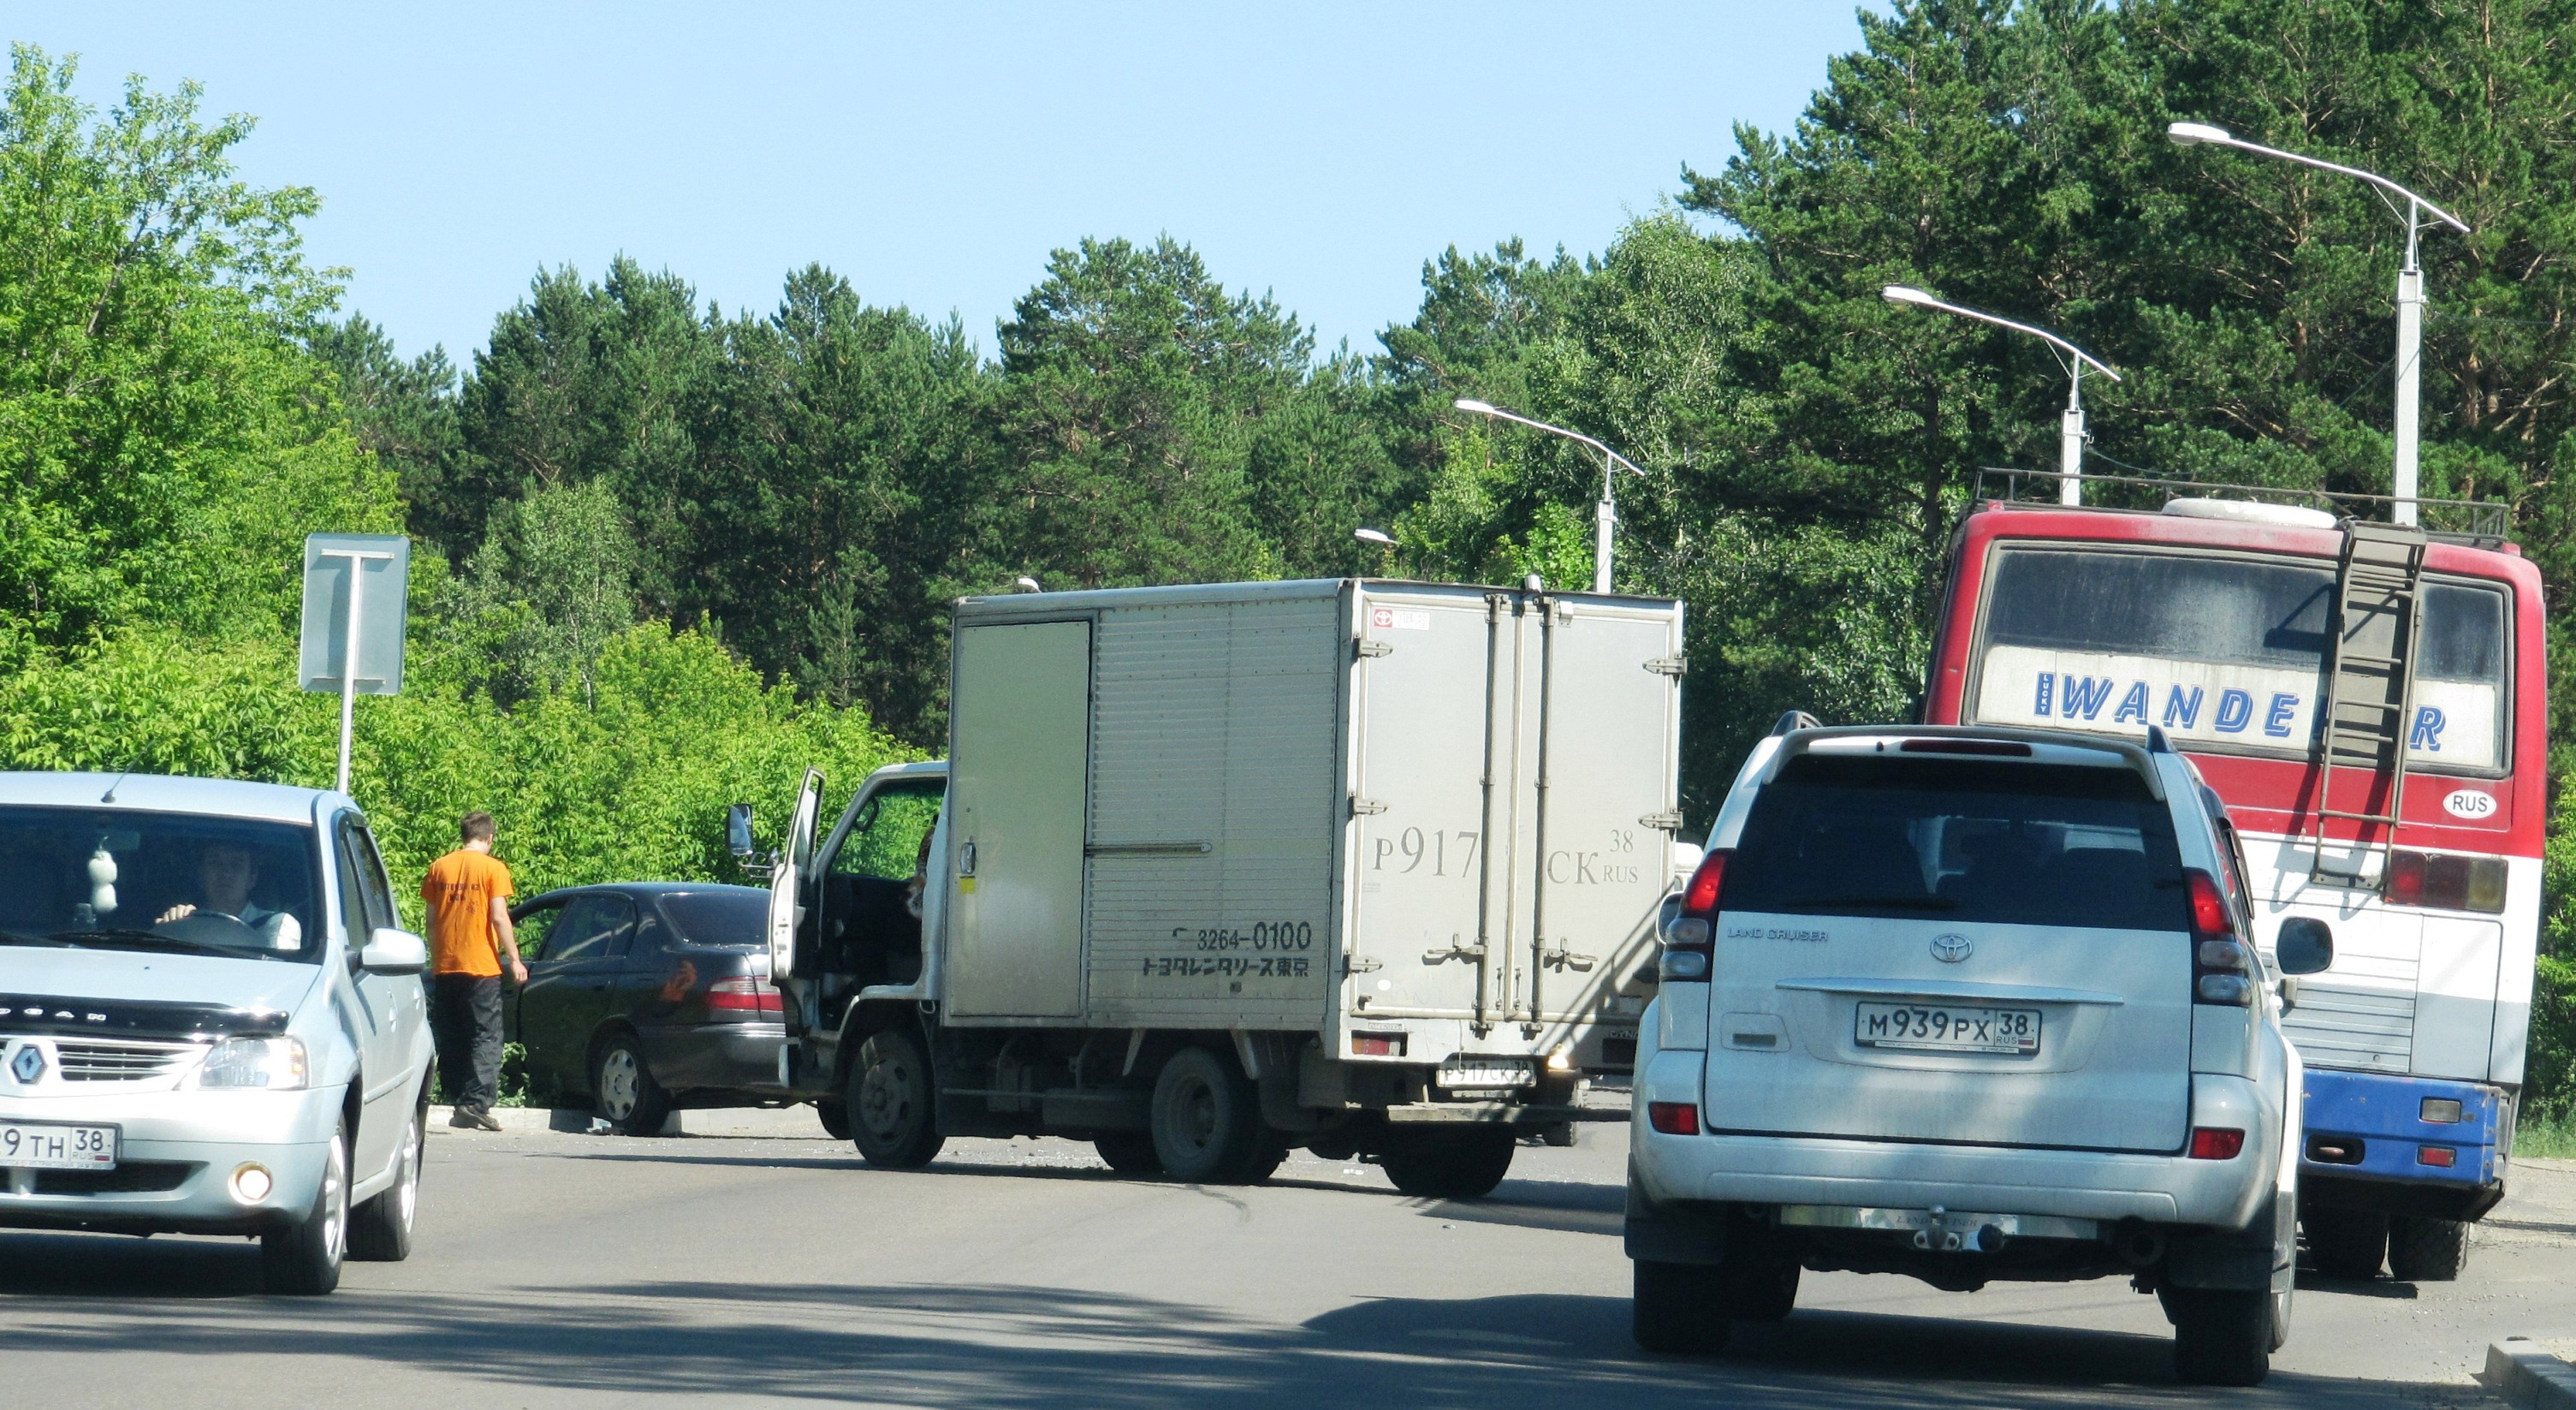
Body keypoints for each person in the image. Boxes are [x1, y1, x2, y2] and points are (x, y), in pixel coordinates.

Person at [421, 812, 524, 1131]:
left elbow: (431, 919)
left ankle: (455, 1095)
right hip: (481, 965)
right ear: (489, 837)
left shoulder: (440, 866)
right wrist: (515, 959)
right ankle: (475, 1103)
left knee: (452, 1033)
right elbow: (499, 916)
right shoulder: (494, 869)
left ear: (464, 835)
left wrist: (437, 957)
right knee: (486, 1035)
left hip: (447, 964)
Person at [157, 840, 303, 951]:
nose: (226, 873)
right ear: (202, 875)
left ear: (252, 879)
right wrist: (171, 929)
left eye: (236, 865)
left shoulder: (275, 925)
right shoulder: (183, 922)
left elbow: (278, 974)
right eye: (216, 864)